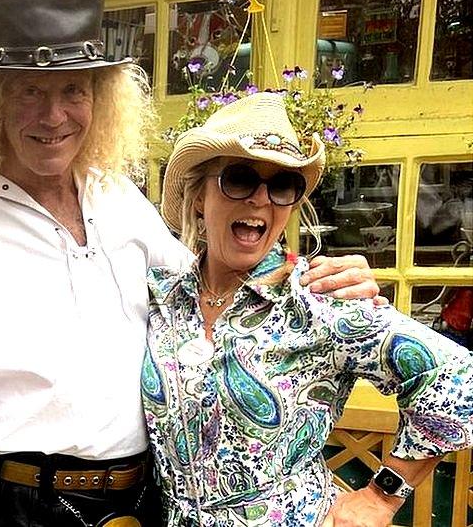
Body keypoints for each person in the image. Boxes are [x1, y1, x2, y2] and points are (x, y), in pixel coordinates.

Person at [0, 0, 381, 526]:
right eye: (28, 90)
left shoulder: (116, 197)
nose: (53, 116)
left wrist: (319, 276)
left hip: (146, 499)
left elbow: (206, 287)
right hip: (23, 506)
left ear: (99, 100)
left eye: (73, 90)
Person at [143, 91, 473, 526]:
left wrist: (383, 496)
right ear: (200, 197)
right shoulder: (160, 298)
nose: (261, 199)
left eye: (282, 185)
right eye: (240, 178)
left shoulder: (320, 300)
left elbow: (458, 379)